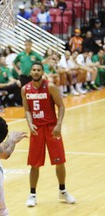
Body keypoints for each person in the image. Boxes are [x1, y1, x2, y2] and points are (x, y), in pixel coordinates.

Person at [21, 62, 76, 207]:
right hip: (37, 129)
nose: (36, 72)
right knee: (34, 164)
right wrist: (29, 123)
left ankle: (62, 190)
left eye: (39, 70)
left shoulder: (50, 86)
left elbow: (61, 106)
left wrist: (58, 125)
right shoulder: (25, 89)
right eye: (34, 70)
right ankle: (32, 194)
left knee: (60, 162)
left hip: (52, 128)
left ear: (42, 72)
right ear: (30, 72)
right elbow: (27, 110)